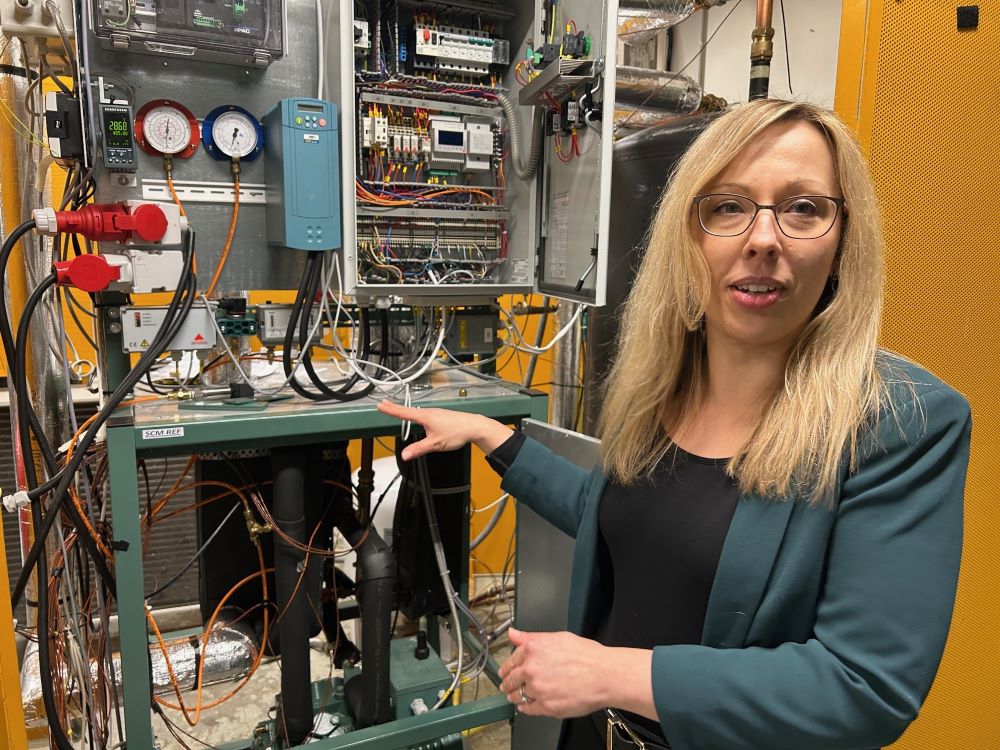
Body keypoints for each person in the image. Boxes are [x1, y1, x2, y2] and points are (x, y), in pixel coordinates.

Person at [377, 99, 972, 750]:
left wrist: (610, 672)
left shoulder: (899, 421)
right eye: (728, 206)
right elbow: (630, 519)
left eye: (803, 208)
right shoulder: (664, 381)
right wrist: (494, 438)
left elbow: (865, 687)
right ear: (687, 234)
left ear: (844, 237)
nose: (763, 238)